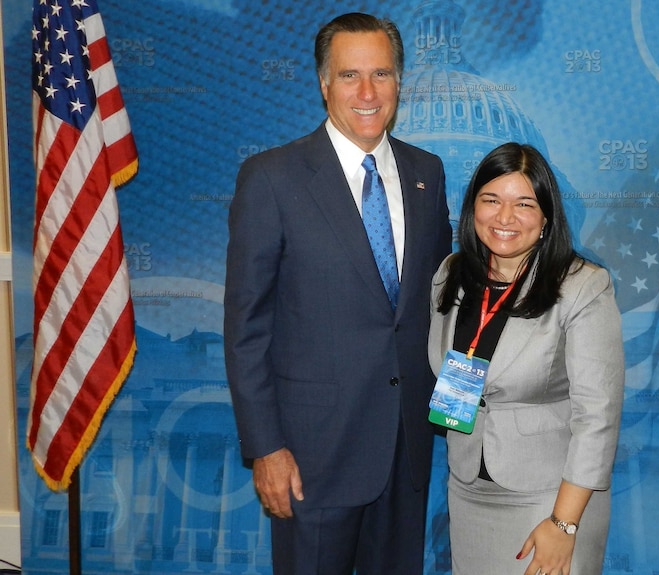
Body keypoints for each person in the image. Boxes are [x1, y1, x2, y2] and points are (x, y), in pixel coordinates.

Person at [223, 12, 451, 574]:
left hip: (405, 449)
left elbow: (440, 304)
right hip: (310, 457)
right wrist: (266, 447)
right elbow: (246, 328)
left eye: (382, 73)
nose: (368, 93)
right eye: (350, 76)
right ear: (324, 83)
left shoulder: (428, 173)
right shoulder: (271, 178)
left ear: (401, 81)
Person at [428, 142, 624, 575]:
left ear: (546, 217)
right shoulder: (451, 275)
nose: (504, 218)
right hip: (466, 489)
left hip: (550, 499)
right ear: (472, 207)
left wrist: (564, 523)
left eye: (524, 204)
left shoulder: (582, 287)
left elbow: (598, 417)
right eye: (491, 200)